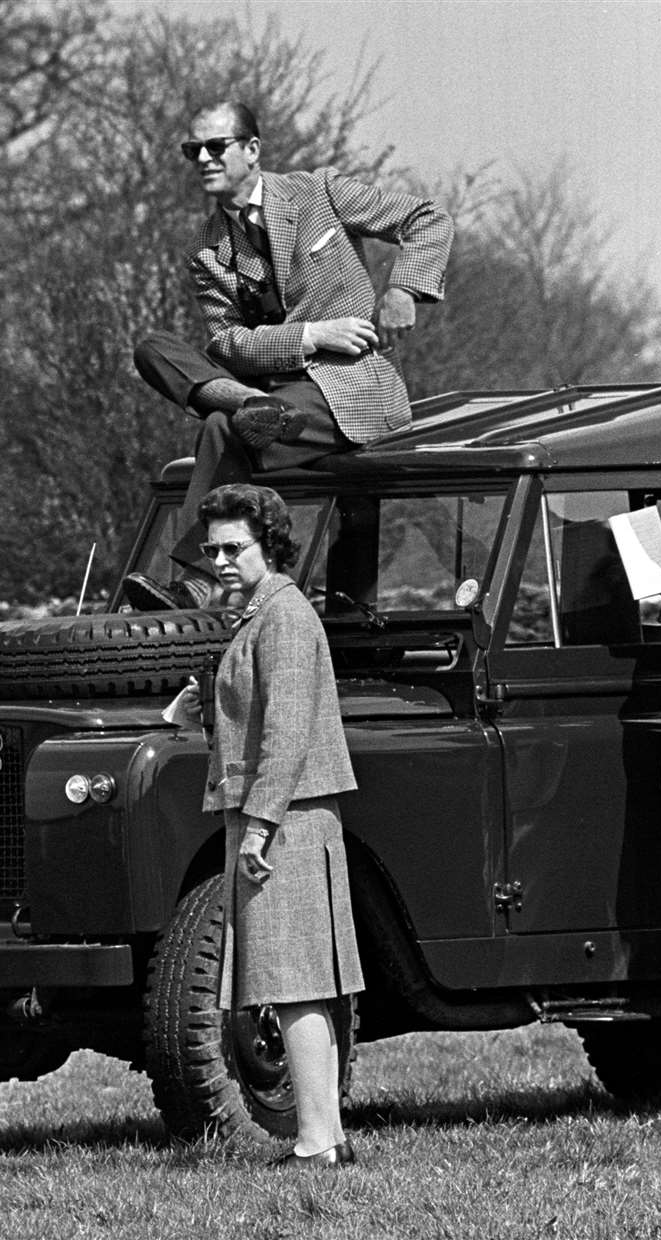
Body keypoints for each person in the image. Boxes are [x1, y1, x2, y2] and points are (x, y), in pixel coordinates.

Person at [123, 100, 453, 612]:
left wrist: (402, 290)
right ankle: (248, 403)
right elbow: (228, 343)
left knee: (219, 428)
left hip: (347, 388)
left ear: (252, 150)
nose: (204, 159)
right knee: (153, 348)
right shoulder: (206, 248)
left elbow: (427, 218)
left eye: (216, 146)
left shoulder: (317, 191)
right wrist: (312, 334)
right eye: (194, 151)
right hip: (273, 391)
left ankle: (194, 579)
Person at [172, 482, 365, 1167]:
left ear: (270, 545)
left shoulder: (282, 616)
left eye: (235, 547)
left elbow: (286, 734)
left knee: (293, 982)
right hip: (277, 815)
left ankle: (317, 1139)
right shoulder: (258, 615)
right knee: (290, 982)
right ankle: (326, 1135)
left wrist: (257, 828)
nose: (221, 561)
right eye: (212, 549)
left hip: (286, 819)